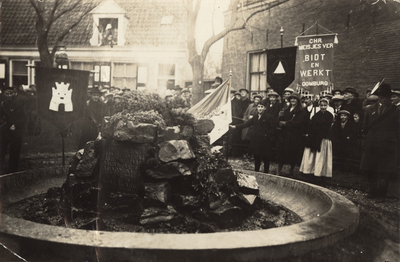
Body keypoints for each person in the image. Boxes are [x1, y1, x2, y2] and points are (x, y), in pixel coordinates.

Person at [360, 83, 400, 198]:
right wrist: (365, 142)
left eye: (386, 96)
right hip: (372, 144)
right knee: (370, 169)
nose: (384, 98)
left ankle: (382, 195)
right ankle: (373, 192)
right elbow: (365, 127)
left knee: (384, 171)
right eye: (381, 96)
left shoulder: (396, 110)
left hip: (387, 145)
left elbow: (398, 130)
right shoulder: (369, 109)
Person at [229, 99, 277, 173]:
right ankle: (256, 172)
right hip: (256, 141)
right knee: (257, 157)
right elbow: (246, 124)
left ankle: (266, 173)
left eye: (262, 107)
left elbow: (274, 128)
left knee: (266, 158)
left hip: (265, 141)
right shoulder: (255, 116)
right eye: (258, 107)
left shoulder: (269, 117)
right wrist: (235, 127)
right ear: (257, 108)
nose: (260, 108)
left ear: (265, 108)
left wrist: (266, 135)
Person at [299, 98, 334, 185]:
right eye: (321, 105)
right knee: (313, 156)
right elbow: (312, 126)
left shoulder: (329, 115)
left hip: (323, 139)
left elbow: (326, 127)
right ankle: (312, 172)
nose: (323, 107)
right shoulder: (316, 115)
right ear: (319, 106)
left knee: (322, 157)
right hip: (315, 138)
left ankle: (321, 174)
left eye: (324, 105)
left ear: (327, 106)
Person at [276, 92, 309, 177]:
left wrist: (286, 123)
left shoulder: (301, 112)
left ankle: (291, 170)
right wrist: (280, 117)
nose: (293, 100)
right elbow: (280, 121)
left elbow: (299, 123)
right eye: (291, 99)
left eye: (295, 99)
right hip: (285, 135)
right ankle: (278, 171)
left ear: (298, 100)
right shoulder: (286, 110)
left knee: (293, 154)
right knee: (282, 153)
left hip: (295, 136)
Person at [0, 86, 28, 174]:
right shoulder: (1, 105)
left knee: (15, 153)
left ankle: (12, 172)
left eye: (11, 93)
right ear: (3, 94)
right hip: (3, 132)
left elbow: (23, 118)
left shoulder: (18, 105)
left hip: (16, 132)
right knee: (1, 151)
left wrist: (15, 125)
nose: (9, 96)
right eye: (7, 94)